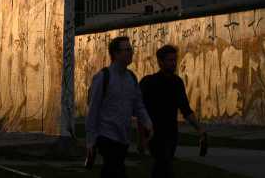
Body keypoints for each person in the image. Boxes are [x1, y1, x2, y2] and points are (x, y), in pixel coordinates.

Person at [86, 36, 153, 178]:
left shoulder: (131, 78)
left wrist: (148, 123)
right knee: (115, 168)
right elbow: (93, 110)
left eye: (131, 49)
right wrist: (91, 141)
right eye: (127, 50)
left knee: (112, 170)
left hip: (123, 136)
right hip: (106, 135)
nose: (131, 52)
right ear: (116, 54)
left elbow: (138, 105)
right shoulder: (103, 77)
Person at [139, 45, 207, 178]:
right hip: (154, 134)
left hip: (171, 134)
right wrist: (141, 138)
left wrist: (200, 129)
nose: (173, 63)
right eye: (170, 60)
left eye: (175, 60)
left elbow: (185, 109)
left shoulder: (177, 82)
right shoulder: (148, 83)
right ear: (160, 62)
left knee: (163, 167)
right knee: (163, 165)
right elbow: (141, 112)